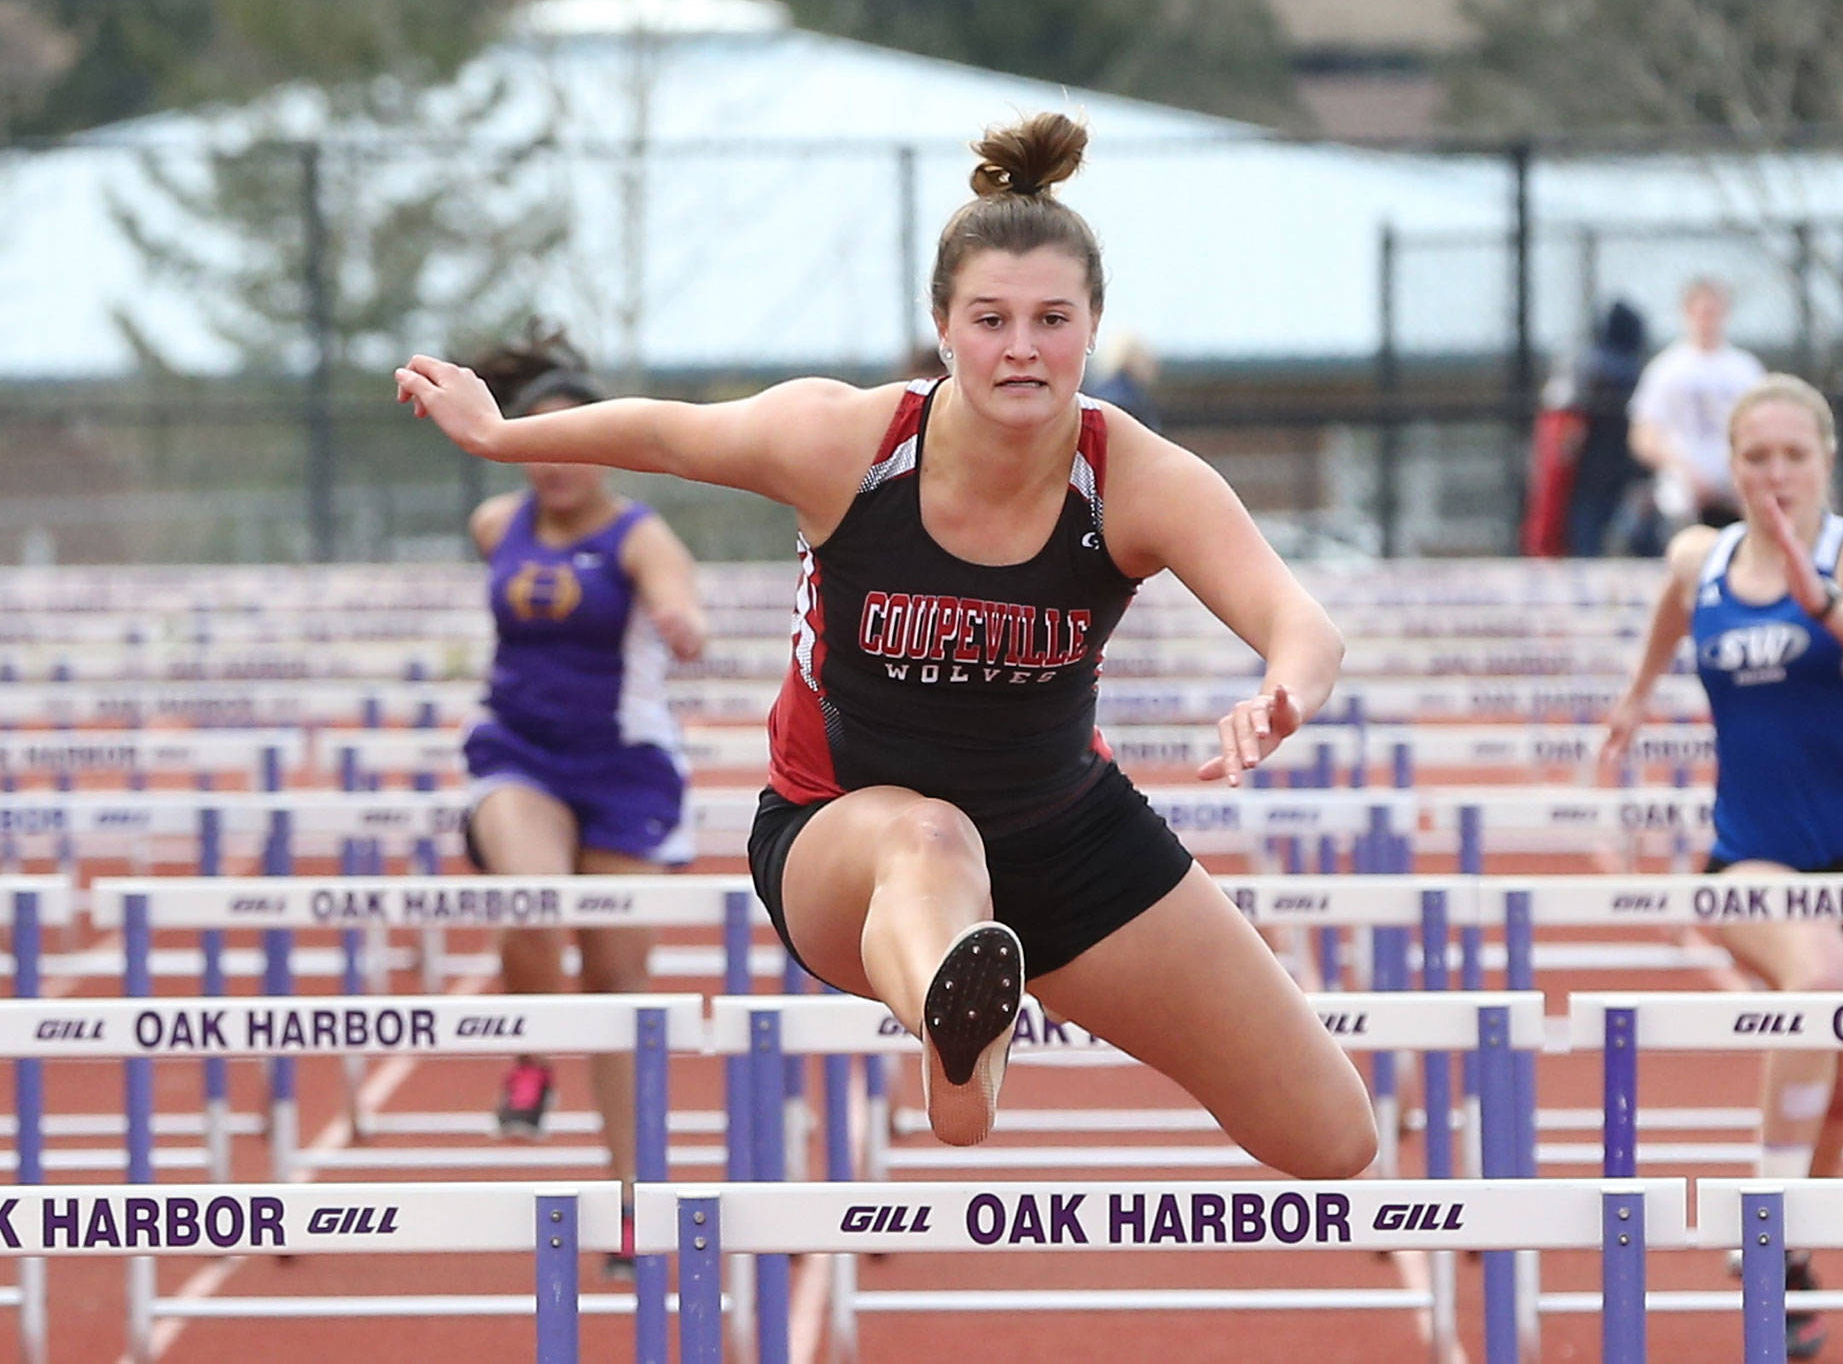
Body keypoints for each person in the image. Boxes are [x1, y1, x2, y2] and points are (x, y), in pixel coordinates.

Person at [398, 112, 1377, 1177]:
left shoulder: (1135, 477)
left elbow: (1301, 626)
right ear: (942, 329)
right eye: (990, 319)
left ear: (1092, 326)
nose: (1020, 349)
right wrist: (502, 435)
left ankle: (974, 992)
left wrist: (1280, 693)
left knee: (1329, 1136)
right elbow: (670, 432)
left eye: (1051, 319)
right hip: (846, 843)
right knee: (932, 841)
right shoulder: (848, 443)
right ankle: (955, 1022)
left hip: (1064, 839)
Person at [1602, 373, 1843, 1358]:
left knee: (1841, 1088)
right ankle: (1763, 1224)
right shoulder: (1698, 558)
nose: (1775, 473)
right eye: (1756, 456)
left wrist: (1819, 600)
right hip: (1748, 856)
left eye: (1793, 455)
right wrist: (1635, 696)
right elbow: (1670, 607)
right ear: (1731, 467)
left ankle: (1781, 1257)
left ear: (1824, 460)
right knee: (1816, 979)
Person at [458, 322, 709, 1278]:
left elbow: (679, 591)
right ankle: (531, 1049)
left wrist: (682, 619)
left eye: (577, 445)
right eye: (538, 445)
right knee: (534, 891)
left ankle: (636, 1200)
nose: (556, 466)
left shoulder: (640, 533)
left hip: (623, 773)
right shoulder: (494, 525)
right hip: (518, 754)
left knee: (618, 988)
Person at [1627, 277, 1766, 540]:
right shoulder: (1666, 369)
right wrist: (1685, 470)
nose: (1707, 319)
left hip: (1737, 493)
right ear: (1687, 312)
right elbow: (1643, 435)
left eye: (1714, 311)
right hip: (1682, 497)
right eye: (1701, 311)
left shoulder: (1745, 369)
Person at [1564, 300, 1649, 557]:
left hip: (1609, 471)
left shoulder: (1592, 365)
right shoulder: (1623, 368)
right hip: (1608, 470)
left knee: (1600, 536)